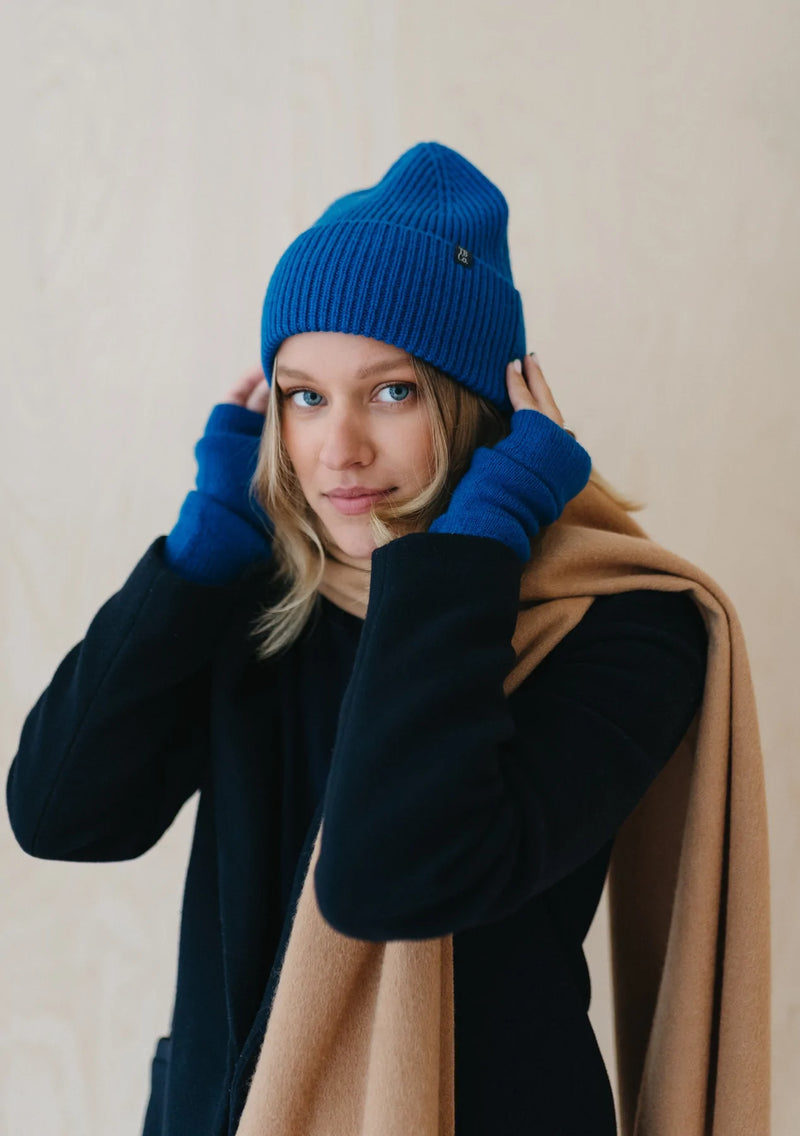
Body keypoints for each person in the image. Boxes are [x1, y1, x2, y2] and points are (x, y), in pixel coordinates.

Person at [7, 142, 712, 1136]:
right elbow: (61, 813)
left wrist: (468, 545)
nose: (336, 449)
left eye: (390, 391)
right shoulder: (251, 600)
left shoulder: (624, 626)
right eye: (304, 394)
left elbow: (391, 877)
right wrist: (202, 550)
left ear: (482, 406)